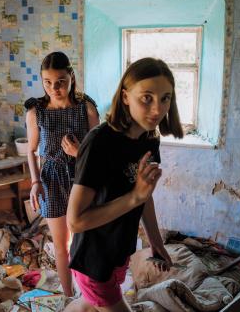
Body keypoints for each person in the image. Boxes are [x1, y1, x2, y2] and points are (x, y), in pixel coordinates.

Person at [66, 57, 184, 311]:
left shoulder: (149, 140)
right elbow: (75, 221)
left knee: (89, 304)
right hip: (93, 259)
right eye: (147, 97)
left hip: (119, 251)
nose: (157, 109)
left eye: (165, 98)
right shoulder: (99, 142)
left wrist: (156, 242)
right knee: (102, 301)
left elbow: (145, 195)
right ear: (126, 96)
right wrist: (134, 197)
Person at [25, 51, 100, 297]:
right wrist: (35, 182)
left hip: (83, 177)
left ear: (71, 77)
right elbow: (32, 150)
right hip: (51, 180)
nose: (54, 88)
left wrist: (80, 153)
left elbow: (100, 154)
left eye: (60, 82)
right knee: (60, 245)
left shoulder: (86, 109)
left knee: (84, 241)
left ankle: (90, 294)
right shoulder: (36, 112)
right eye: (47, 82)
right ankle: (69, 296)